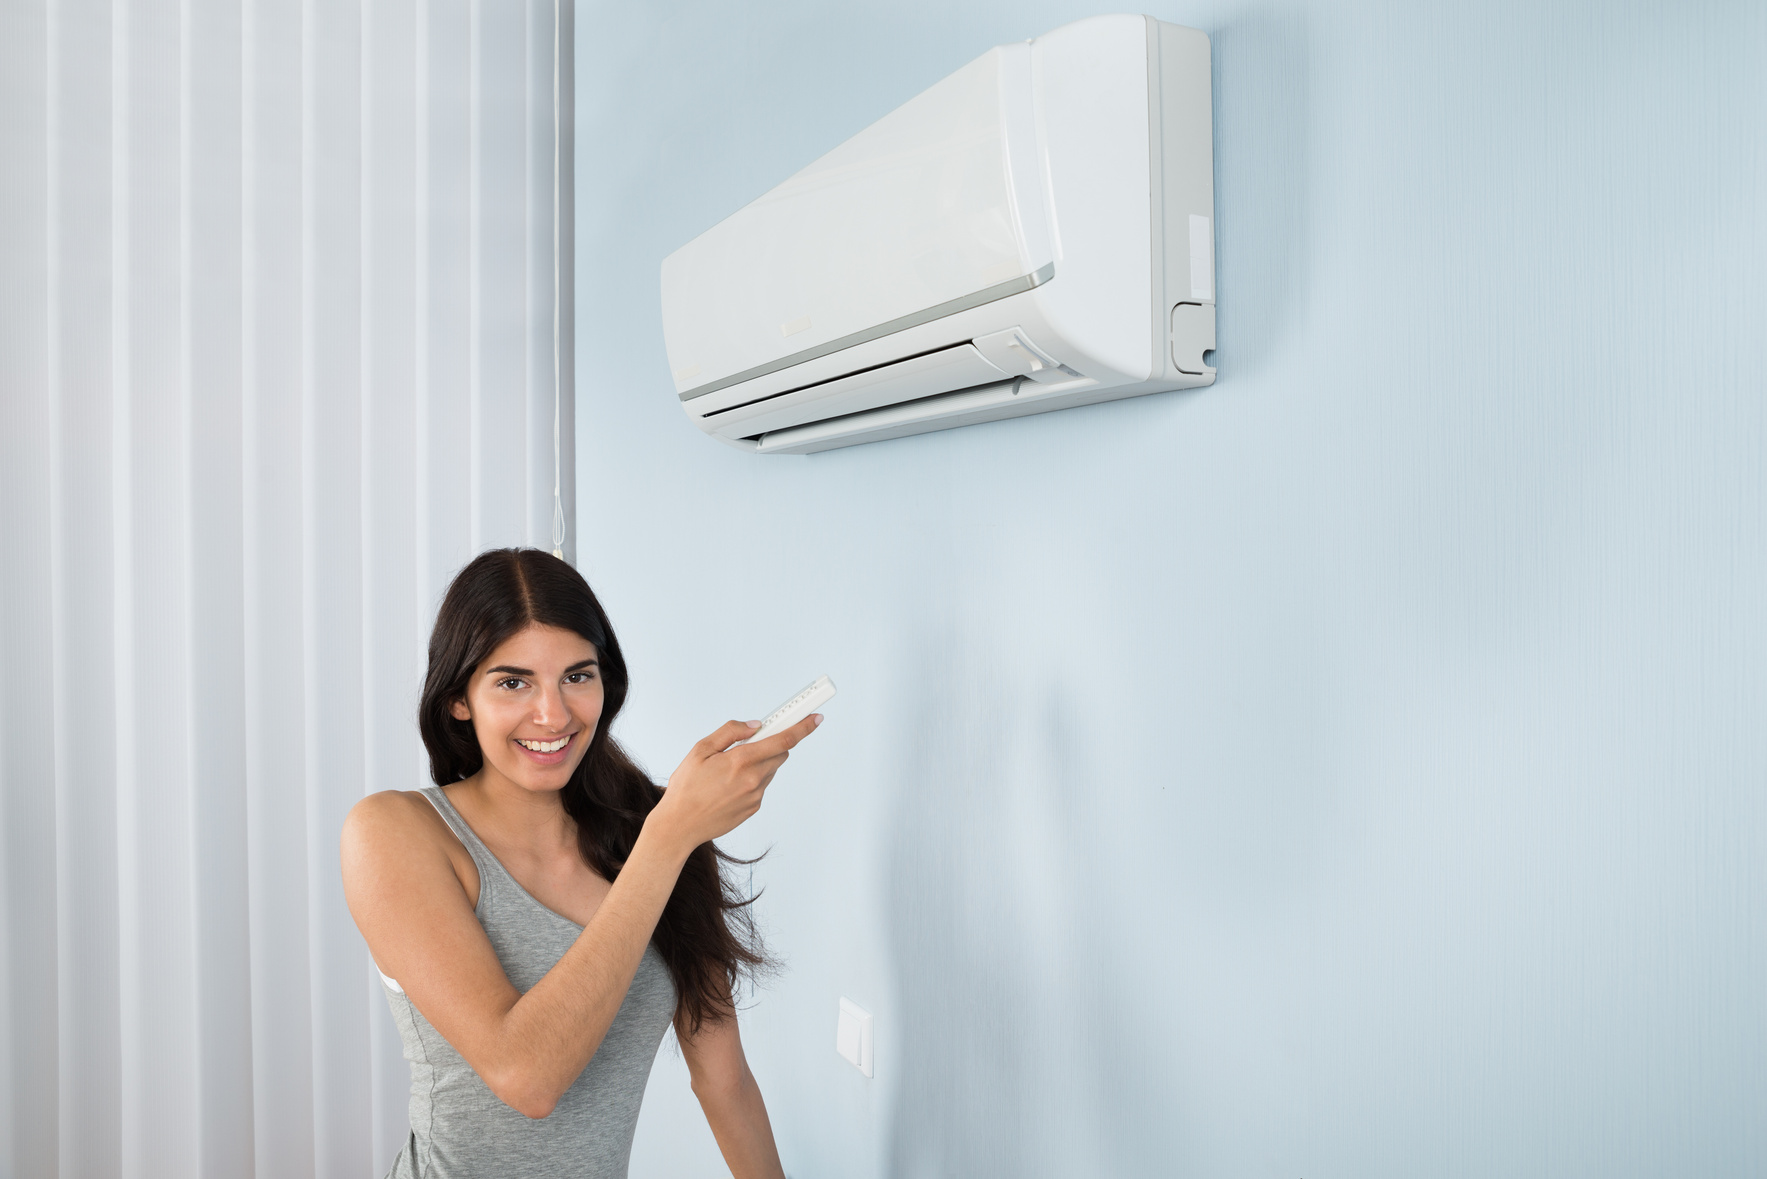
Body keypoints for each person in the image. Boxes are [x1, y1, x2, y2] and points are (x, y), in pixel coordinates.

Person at [341, 548, 818, 1178]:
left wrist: (670, 835)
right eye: (513, 682)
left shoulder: (659, 831)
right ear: (459, 698)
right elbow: (527, 1077)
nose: (554, 715)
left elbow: (724, 1080)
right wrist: (668, 839)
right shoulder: (396, 833)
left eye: (577, 676)